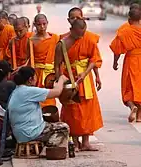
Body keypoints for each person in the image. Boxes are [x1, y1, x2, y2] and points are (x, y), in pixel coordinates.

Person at [55, 18, 103, 151]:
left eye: (82, 34)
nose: (80, 37)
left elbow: (94, 59)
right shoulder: (62, 43)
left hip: (85, 79)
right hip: (69, 79)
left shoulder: (89, 39)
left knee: (88, 109)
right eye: (77, 34)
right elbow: (57, 65)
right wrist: (60, 83)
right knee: (73, 110)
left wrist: (87, 73)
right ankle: (75, 142)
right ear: (71, 30)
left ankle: (86, 142)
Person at [8, 66, 69, 148]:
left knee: (50, 124)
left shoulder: (16, 91)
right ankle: (49, 149)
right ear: (30, 79)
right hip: (30, 133)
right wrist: (61, 79)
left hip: (19, 133)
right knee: (64, 128)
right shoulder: (29, 91)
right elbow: (57, 92)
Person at [110, 8, 141, 123]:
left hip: (131, 60)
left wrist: (115, 62)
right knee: (140, 87)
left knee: (128, 87)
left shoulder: (124, 31)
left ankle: (132, 106)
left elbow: (117, 49)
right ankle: (139, 117)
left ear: (129, 19)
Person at [60, 7, 102, 91]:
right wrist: (60, 81)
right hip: (69, 76)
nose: (75, 20)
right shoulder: (63, 39)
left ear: (82, 18)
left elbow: (94, 59)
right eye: (72, 18)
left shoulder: (90, 37)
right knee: (71, 102)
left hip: (85, 76)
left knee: (88, 102)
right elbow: (59, 63)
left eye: (78, 18)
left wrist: (97, 76)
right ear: (68, 20)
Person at [27, 14, 59, 107]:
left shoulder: (55, 38)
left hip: (50, 75)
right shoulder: (31, 40)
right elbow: (29, 59)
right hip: (36, 74)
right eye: (39, 24)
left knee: (50, 100)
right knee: (37, 99)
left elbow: (59, 59)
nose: (42, 27)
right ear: (35, 25)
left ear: (47, 23)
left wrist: (58, 74)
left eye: (44, 24)